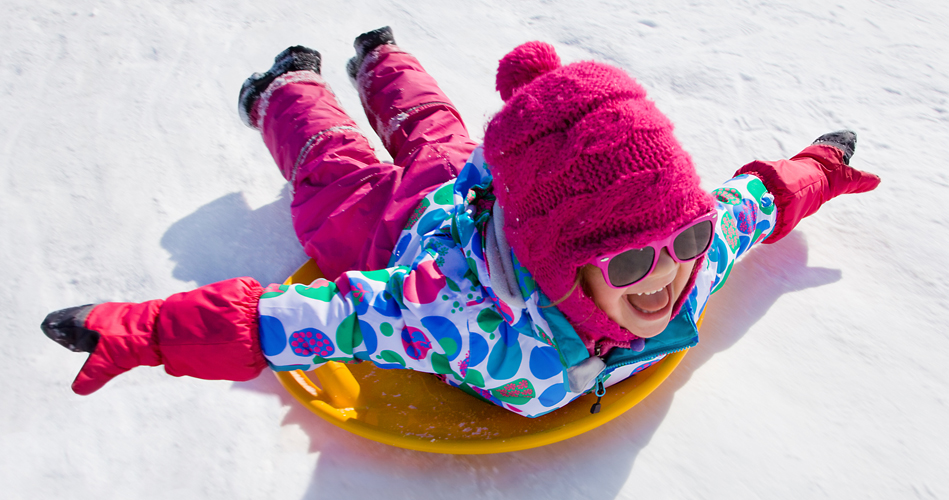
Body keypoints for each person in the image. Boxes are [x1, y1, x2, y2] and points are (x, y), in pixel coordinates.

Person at [41, 27, 880, 417]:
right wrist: (154, 329)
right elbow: (309, 319)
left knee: (440, 135)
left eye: (685, 240)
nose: (667, 276)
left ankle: (384, 61)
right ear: (564, 265)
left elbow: (750, 203)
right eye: (628, 264)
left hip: (478, 182)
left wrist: (819, 168)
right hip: (393, 230)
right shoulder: (456, 318)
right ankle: (284, 87)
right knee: (334, 171)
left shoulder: (692, 251)